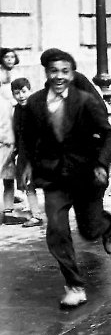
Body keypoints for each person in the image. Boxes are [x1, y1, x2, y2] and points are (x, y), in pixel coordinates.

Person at [21, 50, 111, 308]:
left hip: (86, 175)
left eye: (65, 71)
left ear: (72, 74)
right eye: (54, 71)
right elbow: (27, 138)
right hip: (54, 178)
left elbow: (108, 135)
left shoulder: (85, 101)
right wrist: (27, 165)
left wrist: (101, 164)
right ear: (46, 73)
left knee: (90, 229)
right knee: (57, 229)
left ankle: (105, 226)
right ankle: (74, 285)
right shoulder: (35, 103)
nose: (59, 76)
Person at [11, 78, 43, 227]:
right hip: (25, 152)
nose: (21, 96)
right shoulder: (17, 110)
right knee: (29, 184)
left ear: (30, 91)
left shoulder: (38, 107)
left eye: (24, 92)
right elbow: (17, 132)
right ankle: (35, 214)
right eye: (17, 93)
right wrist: (16, 150)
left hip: (40, 150)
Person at [0, 92, 17, 224]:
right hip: (5, 144)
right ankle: (7, 211)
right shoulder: (7, 103)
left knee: (9, 179)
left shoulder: (7, 103)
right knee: (8, 179)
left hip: (8, 144)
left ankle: (8, 211)